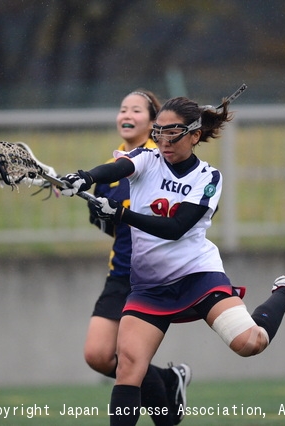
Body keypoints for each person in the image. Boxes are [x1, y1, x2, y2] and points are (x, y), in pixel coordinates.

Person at [61, 95, 285, 426]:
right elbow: (119, 167)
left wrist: (122, 213)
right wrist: (85, 177)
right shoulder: (147, 159)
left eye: (173, 133)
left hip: (198, 277)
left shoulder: (208, 178)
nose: (164, 141)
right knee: (129, 366)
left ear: (194, 134)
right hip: (149, 286)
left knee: (251, 343)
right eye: (159, 132)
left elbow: (176, 228)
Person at [83, 89, 191, 426]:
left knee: (130, 361)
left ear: (152, 120)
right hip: (120, 272)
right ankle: (169, 381)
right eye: (122, 108)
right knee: (99, 356)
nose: (126, 114)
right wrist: (89, 200)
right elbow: (111, 228)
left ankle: (165, 414)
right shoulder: (112, 166)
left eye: (136, 109)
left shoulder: (157, 160)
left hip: (151, 275)